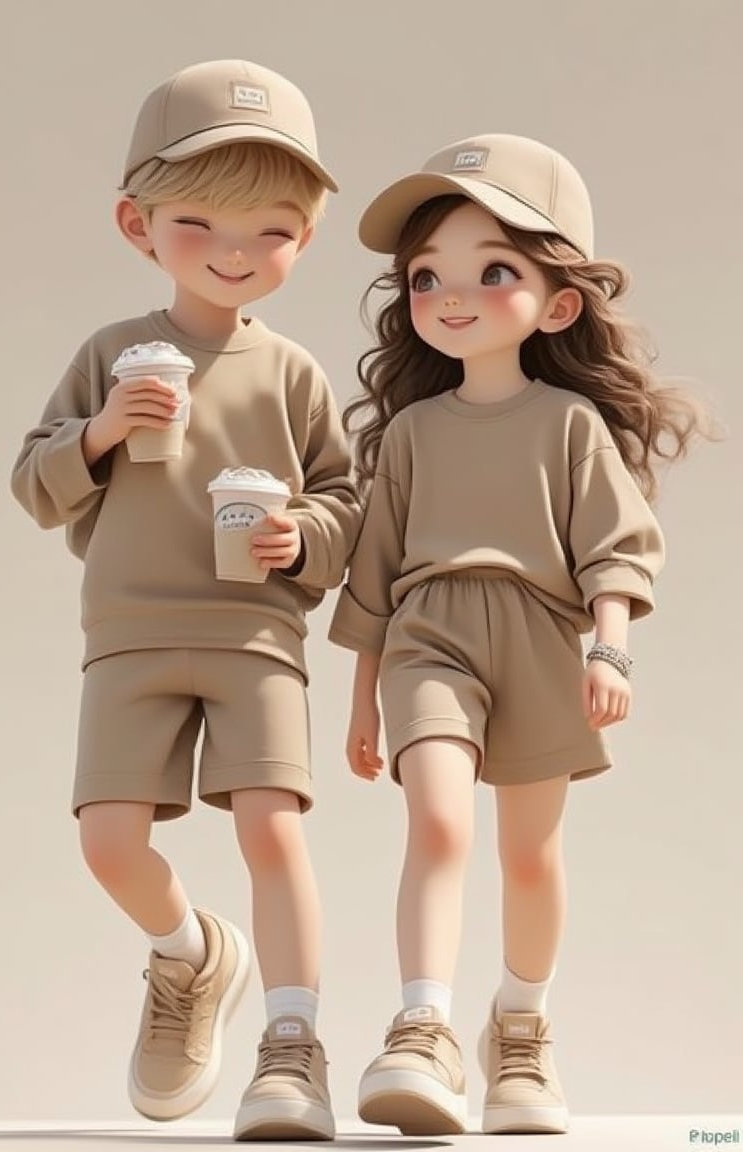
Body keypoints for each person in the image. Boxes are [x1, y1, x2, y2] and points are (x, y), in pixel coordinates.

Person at [329, 133, 709, 1136]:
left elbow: (613, 551)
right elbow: (373, 576)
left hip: (544, 639)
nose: (451, 296)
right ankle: (423, 1028)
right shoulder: (411, 435)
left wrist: (610, 647)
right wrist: (364, 698)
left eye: (493, 270)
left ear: (559, 301)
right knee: (440, 823)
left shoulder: (570, 427)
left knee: (531, 857)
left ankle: (524, 1032)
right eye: (425, 277)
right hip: (430, 638)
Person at [11, 59, 359, 1142]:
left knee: (274, 831)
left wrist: (297, 534)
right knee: (110, 842)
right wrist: (108, 428)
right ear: (137, 223)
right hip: (129, 633)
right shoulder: (111, 355)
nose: (236, 251)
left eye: (273, 230)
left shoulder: (295, 372)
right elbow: (32, 483)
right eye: (200, 220)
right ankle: (190, 954)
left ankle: (293, 1045)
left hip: (258, 635)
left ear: (304, 237)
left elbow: (347, 507)